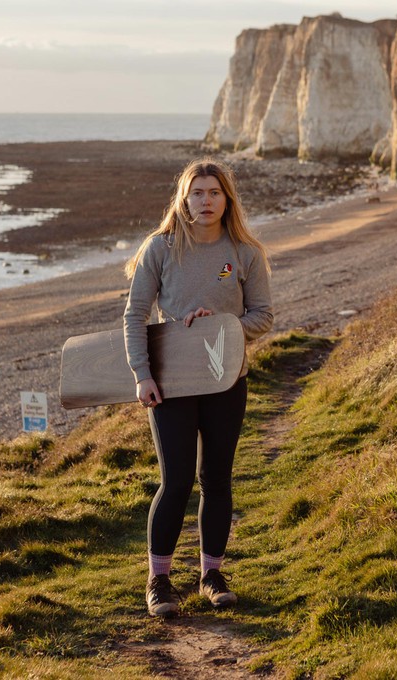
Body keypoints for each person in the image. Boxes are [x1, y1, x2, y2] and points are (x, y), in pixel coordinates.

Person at [123, 157, 273, 617]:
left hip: (228, 379)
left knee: (217, 480)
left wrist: (224, 326)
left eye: (214, 192)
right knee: (176, 480)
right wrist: (141, 376)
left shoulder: (245, 252)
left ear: (227, 198)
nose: (205, 201)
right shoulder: (161, 248)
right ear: (183, 199)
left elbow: (263, 316)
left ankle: (211, 574)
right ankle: (159, 580)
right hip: (170, 382)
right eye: (197, 193)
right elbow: (135, 316)